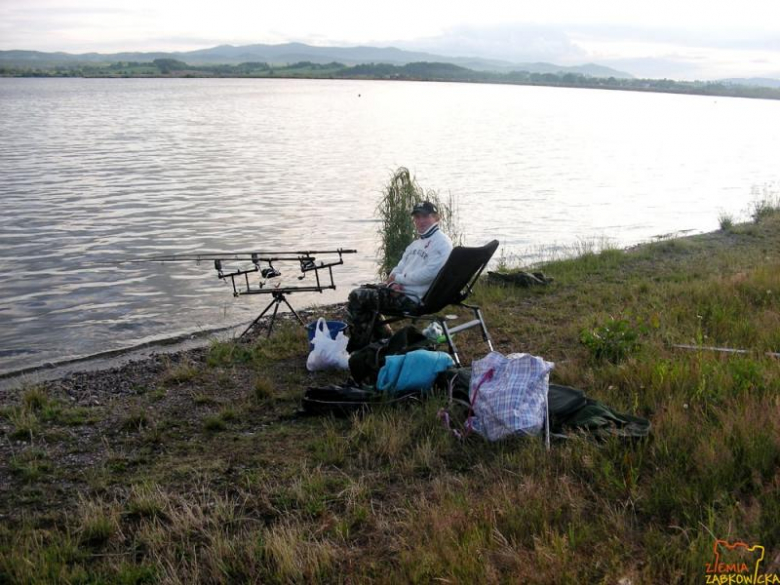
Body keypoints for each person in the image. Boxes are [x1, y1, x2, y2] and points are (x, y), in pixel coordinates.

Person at [346, 201, 453, 352]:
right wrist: (392, 283)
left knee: (358, 296)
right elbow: (398, 268)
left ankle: (358, 347)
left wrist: (399, 280)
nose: (420, 221)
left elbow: (431, 273)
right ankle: (382, 340)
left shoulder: (442, 243)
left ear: (437, 218)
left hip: (413, 299)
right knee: (364, 291)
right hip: (399, 291)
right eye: (417, 217)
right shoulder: (416, 243)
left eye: (425, 216)